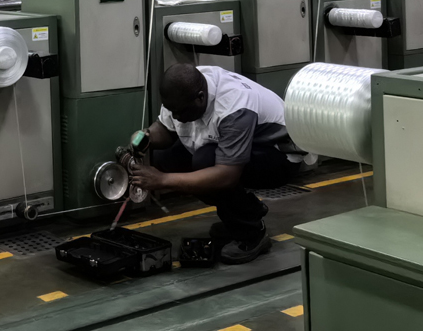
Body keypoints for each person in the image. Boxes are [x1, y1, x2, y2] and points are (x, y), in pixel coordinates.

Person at [130, 63, 303, 264]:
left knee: (206, 162)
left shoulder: (234, 107)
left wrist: (162, 180)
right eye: (171, 110)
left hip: (278, 158)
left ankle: (251, 233)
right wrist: (145, 136)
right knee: (165, 157)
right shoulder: (185, 90)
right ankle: (239, 216)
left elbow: (226, 176)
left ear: (201, 97)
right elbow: (165, 128)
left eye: (180, 112)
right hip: (236, 148)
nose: (176, 116)